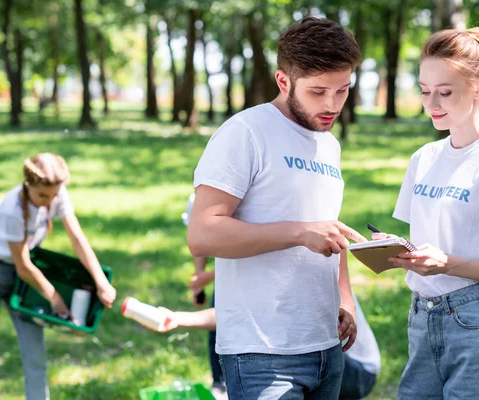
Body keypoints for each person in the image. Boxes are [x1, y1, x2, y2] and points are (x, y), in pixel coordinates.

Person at [187, 16, 366, 399]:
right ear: (284, 81)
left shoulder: (328, 144)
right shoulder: (245, 132)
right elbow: (202, 233)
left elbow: (326, 227)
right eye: (318, 91)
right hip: (262, 354)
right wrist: (299, 233)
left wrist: (346, 301)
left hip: (325, 346)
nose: (332, 104)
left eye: (343, 90)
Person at [372, 26, 479, 399]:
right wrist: (398, 249)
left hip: (473, 322)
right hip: (420, 319)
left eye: (445, 92)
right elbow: (432, 243)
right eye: (424, 91)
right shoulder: (423, 159)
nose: (432, 103)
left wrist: (449, 263)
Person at [0, 153, 117, 400]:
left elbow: (77, 239)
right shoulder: (13, 209)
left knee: (35, 357)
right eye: (42, 195)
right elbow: (24, 266)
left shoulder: (56, 194)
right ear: (28, 184)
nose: (48, 202)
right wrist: (55, 299)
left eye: (53, 196)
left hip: (24, 278)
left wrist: (100, 281)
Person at [160, 291, 381, 400]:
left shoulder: (298, 275)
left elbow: (237, 315)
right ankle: (222, 385)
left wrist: (178, 319)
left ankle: (223, 387)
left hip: (359, 371)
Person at [181, 193, 225, 397]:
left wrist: (210, 275)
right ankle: (220, 382)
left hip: (247, 272)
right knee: (216, 328)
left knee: (228, 322)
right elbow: (198, 242)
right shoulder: (197, 199)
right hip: (225, 273)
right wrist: (199, 279)